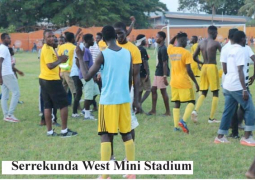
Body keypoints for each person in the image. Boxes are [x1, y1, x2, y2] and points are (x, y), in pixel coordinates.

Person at [76, 25, 135, 179]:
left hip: (108, 101)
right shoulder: (127, 53)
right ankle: (131, 172)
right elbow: (130, 79)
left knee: (105, 135)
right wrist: (125, 94)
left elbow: (87, 76)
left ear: (102, 38)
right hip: (124, 99)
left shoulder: (103, 54)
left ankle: (105, 175)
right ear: (116, 36)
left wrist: (81, 57)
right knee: (127, 134)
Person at [214, 31, 255, 146]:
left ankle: (220, 136)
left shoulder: (229, 49)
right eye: (245, 38)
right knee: (250, 109)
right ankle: (247, 137)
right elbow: (240, 71)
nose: (246, 40)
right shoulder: (241, 50)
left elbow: (225, 68)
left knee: (228, 111)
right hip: (237, 86)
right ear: (242, 39)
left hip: (227, 85)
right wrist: (244, 89)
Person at [39, 29, 77, 137]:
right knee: (63, 104)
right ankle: (64, 131)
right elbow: (50, 65)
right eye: (49, 37)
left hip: (44, 79)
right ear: (44, 38)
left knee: (48, 105)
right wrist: (61, 59)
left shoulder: (51, 48)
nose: (52, 38)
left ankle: (50, 132)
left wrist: (60, 59)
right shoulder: (47, 49)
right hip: (51, 80)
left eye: (53, 36)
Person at [114, 22, 142, 157]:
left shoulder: (133, 50)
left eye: (120, 32)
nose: (118, 36)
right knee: (110, 127)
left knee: (128, 123)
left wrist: (137, 99)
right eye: (116, 33)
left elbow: (136, 77)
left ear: (126, 32)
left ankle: (128, 158)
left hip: (126, 90)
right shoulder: (110, 47)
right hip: (112, 91)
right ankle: (111, 158)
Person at [168, 32, 199, 133]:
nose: (188, 42)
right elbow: (189, 70)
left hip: (173, 81)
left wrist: (175, 37)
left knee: (177, 103)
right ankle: (183, 121)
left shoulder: (171, 50)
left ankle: (175, 127)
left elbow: (169, 43)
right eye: (186, 40)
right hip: (184, 82)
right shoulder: (186, 53)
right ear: (184, 41)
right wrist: (196, 82)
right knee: (192, 101)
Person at [192, 26, 221, 123]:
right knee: (215, 92)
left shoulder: (200, 43)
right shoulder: (216, 43)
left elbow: (194, 57)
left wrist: (201, 63)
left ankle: (195, 111)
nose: (217, 35)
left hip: (204, 67)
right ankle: (211, 118)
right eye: (216, 33)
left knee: (203, 91)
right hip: (212, 67)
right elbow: (224, 55)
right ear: (214, 33)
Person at [147, 31, 171, 116]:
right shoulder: (160, 47)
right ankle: (153, 110)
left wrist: (165, 76)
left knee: (163, 91)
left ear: (161, 38)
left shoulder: (164, 48)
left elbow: (165, 63)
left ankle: (168, 112)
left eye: (157, 37)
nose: (155, 38)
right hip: (158, 71)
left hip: (161, 72)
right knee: (153, 89)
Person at [77, 34, 100, 120]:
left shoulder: (87, 50)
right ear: (86, 41)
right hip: (87, 76)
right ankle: (87, 114)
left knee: (95, 92)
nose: (93, 41)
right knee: (88, 95)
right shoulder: (85, 51)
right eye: (91, 39)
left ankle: (85, 109)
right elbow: (85, 65)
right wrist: (91, 75)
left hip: (90, 76)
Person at [0, 33, 20, 122]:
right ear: (3, 39)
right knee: (16, 93)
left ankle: (6, 115)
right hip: (7, 74)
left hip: (4, 74)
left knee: (4, 95)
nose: (10, 39)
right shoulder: (4, 49)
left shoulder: (2, 48)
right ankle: (10, 114)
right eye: (8, 38)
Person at [58, 32, 77, 104]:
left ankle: (61, 103)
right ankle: (77, 105)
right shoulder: (74, 47)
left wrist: (59, 71)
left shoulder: (61, 47)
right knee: (74, 89)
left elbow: (59, 58)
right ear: (72, 39)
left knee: (63, 88)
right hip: (70, 71)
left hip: (63, 70)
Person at [136, 34, 151, 112]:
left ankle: (139, 109)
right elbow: (145, 62)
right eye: (145, 40)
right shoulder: (143, 49)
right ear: (142, 41)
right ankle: (139, 104)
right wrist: (147, 73)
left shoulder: (135, 48)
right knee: (148, 90)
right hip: (143, 73)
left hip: (136, 72)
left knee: (140, 90)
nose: (146, 41)